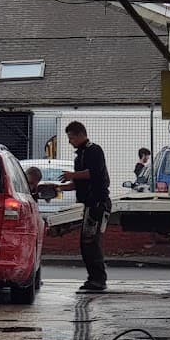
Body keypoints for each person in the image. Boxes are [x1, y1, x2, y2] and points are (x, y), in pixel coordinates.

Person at [59, 121, 111, 292]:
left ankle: (98, 280)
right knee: (86, 243)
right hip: (89, 204)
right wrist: (59, 187)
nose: (70, 141)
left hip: (97, 203)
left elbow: (94, 173)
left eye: (71, 137)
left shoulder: (94, 151)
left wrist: (72, 175)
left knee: (90, 242)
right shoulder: (79, 156)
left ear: (81, 134)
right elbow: (80, 182)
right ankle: (93, 278)